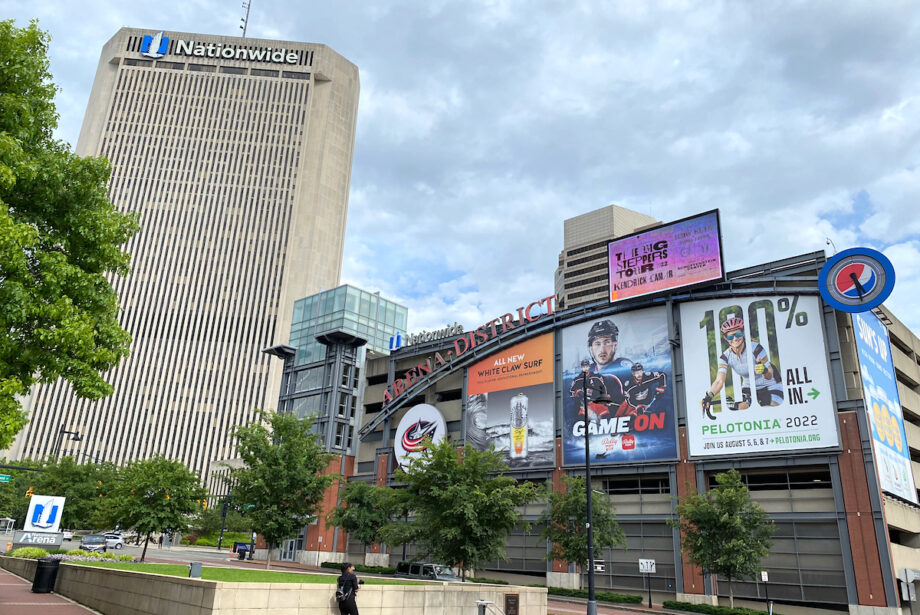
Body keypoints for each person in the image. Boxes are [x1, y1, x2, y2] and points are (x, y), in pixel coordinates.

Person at [701, 317, 783, 419]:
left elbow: (769, 375)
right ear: (726, 338)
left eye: (738, 334)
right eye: (731, 337)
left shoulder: (755, 348)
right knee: (743, 412)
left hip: (770, 385)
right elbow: (719, 381)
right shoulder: (725, 357)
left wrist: (764, 370)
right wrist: (709, 396)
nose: (735, 339)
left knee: (771, 410)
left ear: (743, 333)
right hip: (749, 389)